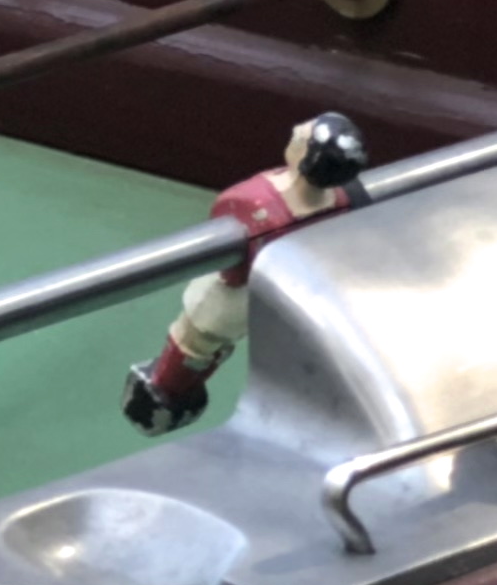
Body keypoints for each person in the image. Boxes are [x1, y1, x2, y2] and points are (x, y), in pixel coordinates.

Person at [125, 110, 369, 430]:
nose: (294, 128)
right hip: (286, 288)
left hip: (239, 293)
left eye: (301, 136)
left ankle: (166, 392)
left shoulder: (254, 209)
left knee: (196, 337)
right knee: (213, 342)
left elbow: (232, 266)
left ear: (309, 158)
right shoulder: (344, 200)